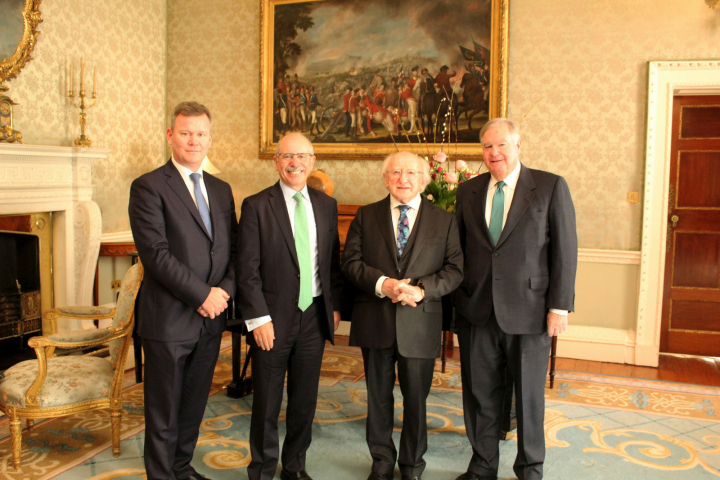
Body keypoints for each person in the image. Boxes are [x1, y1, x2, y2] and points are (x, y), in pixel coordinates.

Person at [453, 118, 578, 480]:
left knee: (528, 400)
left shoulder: (550, 186)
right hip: (477, 311)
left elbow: (565, 252)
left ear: (518, 146)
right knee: (480, 396)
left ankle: (530, 469)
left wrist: (559, 307)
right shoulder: (469, 191)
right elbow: (458, 252)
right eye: (487, 147)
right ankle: (482, 466)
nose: (494, 153)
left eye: (502, 145)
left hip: (531, 313)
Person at [128, 101, 237, 480]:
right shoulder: (148, 186)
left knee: (192, 405)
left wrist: (222, 291)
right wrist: (202, 294)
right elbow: (156, 256)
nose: (194, 140)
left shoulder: (222, 190)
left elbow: (232, 249)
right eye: (186, 133)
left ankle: (181, 467)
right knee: (163, 411)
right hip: (169, 321)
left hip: (210, 320)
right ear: (171, 136)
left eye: (201, 133)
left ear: (210, 138)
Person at [342, 152, 463, 480]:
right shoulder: (366, 216)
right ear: (385, 178)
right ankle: (381, 462)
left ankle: (412, 466)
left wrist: (422, 289)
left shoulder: (445, 220)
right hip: (375, 319)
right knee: (378, 398)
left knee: (416, 402)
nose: (403, 178)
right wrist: (384, 284)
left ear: (424, 179)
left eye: (411, 172)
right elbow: (350, 263)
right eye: (395, 172)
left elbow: (454, 270)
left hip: (420, 321)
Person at [236, 132, 343, 480]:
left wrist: (334, 306)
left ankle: (295, 466)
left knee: (304, 400)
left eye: (301, 156)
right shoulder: (255, 205)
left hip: (313, 315)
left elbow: (332, 263)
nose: (294, 163)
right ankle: (263, 470)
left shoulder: (326, 205)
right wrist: (257, 318)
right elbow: (246, 270)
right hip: (272, 319)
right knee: (266, 401)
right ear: (276, 161)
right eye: (286, 156)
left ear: (312, 161)